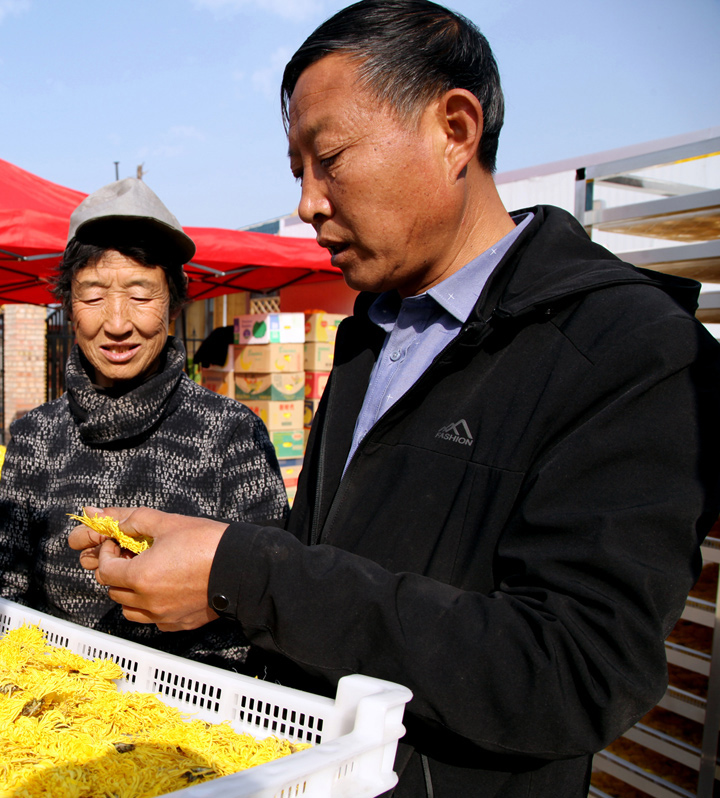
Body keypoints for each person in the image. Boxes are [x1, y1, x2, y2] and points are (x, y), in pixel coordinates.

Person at [69, 2, 720, 795]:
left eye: (331, 157)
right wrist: (210, 566)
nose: (309, 202)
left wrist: (247, 573)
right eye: (296, 172)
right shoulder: (370, 336)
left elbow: (575, 674)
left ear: (454, 128)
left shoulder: (634, 351)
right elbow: (329, 570)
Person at [0, 177, 288, 671]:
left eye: (141, 295)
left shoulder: (232, 434)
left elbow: (270, 598)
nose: (118, 322)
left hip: (200, 716)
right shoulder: (35, 438)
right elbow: (3, 596)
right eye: (94, 295)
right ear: (69, 307)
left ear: (173, 305)